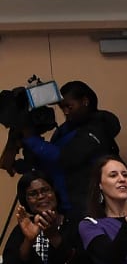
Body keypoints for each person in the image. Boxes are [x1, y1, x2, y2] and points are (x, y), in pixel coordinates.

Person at [7, 80, 120, 217]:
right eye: (62, 108)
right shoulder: (66, 129)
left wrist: (31, 138)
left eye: (69, 106)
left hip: (88, 208)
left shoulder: (98, 128)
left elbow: (67, 158)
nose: (65, 112)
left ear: (85, 101)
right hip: (65, 207)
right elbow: (51, 163)